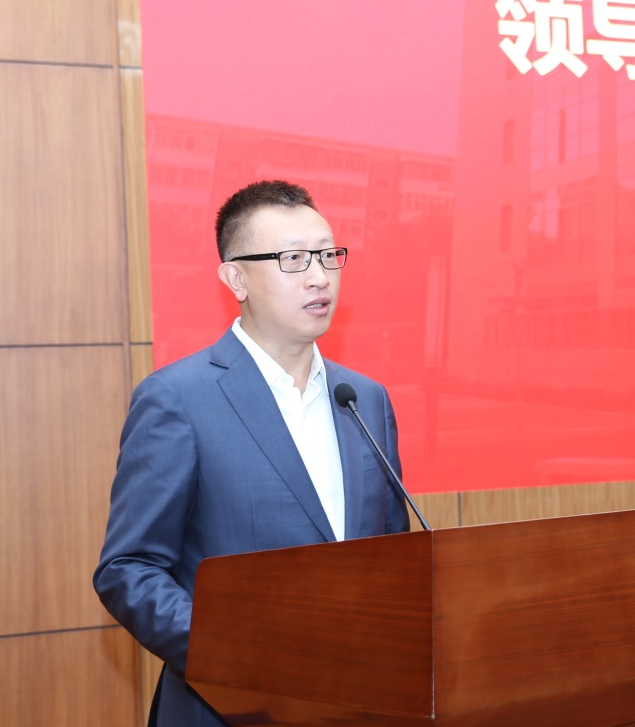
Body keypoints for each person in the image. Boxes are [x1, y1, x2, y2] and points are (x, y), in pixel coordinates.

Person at [94, 180, 410, 726]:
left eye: (327, 255)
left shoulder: (364, 398)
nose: (319, 276)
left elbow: (393, 557)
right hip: (228, 707)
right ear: (236, 278)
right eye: (293, 259)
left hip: (355, 703)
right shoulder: (177, 399)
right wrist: (239, 657)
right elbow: (130, 569)